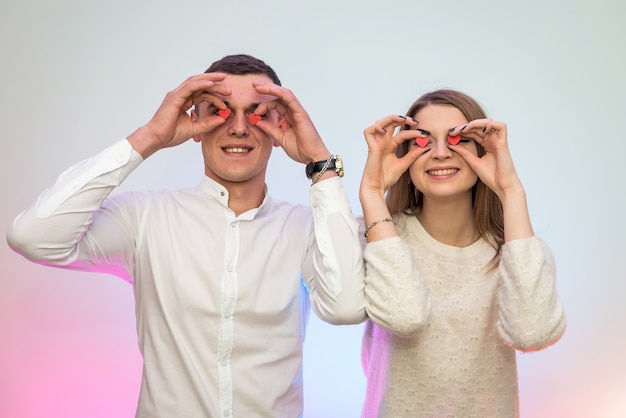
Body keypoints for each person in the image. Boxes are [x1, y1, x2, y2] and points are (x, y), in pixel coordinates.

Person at [7, 54, 366, 418]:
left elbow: (346, 308)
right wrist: (149, 136)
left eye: (257, 113)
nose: (239, 128)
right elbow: (33, 237)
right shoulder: (146, 218)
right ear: (195, 121)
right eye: (221, 111)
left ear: (280, 124)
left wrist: (320, 163)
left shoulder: (306, 227)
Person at [358, 89, 566, 417]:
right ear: (403, 154)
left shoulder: (518, 248)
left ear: (483, 150)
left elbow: (532, 333)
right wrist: (371, 192)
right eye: (424, 141)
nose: (440, 153)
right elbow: (404, 316)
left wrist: (511, 190)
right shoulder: (374, 236)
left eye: (457, 140)